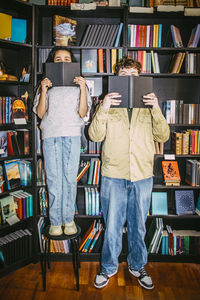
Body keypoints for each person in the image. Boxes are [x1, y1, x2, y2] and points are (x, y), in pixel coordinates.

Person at [88, 56, 170, 290]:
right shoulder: (106, 105)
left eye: (133, 75)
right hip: (113, 174)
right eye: (124, 76)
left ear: (140, 77)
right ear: (117, 78)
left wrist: (155, 108)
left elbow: (163, 137)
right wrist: (103, 107)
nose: (129, 80)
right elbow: (94, 136)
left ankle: (137, 265)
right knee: (112, 225)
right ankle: (108, 268)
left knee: (138, 225)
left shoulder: (149, 106)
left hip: (142, 174)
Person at [33, 47, 92, 236]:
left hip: (72, 134)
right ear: (52, 62)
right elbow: (41, 113)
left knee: (69, 179)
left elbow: (83, 113)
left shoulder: (79, 85)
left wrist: (83, 88)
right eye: (58, 59)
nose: (62, 61)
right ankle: (55, 221)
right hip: (50, 135)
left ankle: (68, 219)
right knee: (53, 179)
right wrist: (43, 89)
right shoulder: (46, 85)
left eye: (66, 58)